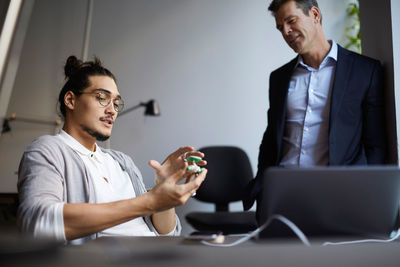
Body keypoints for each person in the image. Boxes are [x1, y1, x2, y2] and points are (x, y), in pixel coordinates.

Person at [17, 56, 207, 244]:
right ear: (70, 100)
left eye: (116, 104)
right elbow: (37, 222)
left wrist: (162, 188)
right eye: (101, 98)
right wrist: (149, 201)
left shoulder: (121, 161)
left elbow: (166, 235)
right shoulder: (48, 150)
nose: (112, 110)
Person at [244, 0, 386, 210]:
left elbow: (375, 144)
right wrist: (263, 186)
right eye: (280, 27)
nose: (286, 31)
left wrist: (371, 197)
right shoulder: (279, 78)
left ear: (315, 15)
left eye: (291, 21)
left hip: (339, 197)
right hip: (282, 196)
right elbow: (271, 138)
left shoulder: (365, 71)